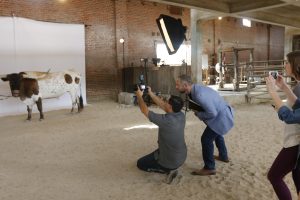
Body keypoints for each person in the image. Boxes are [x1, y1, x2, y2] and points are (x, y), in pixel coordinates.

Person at [175, 75, 234, 176]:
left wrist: (199, 114)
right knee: (217, 134)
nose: (176, 87)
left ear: (185, 85)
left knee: (206, 139)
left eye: (177, 85)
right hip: (223, 114)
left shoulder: (199, 95)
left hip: (221, 118)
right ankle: (223, 156)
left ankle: (209, 167)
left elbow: (212, 113)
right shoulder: (195, 89)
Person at [266, 50, 300, 200]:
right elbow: (299, 105)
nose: (284, 65)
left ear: (296, 65)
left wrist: (273, 92)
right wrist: (284, 88)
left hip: (297, 142)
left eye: (287, 62)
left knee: (274, 175)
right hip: (296, 142)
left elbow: (290, 117)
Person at [135, 85, 187, 183]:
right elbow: (164, 105)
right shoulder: (181, 115)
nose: (165, 102)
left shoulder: (166, 120)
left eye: (167, 101)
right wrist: (150, 93)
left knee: (140, 163)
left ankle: (166, 170)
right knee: (156, 154)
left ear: (170, 106)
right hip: (181, 156)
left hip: (171, 161)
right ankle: (168, 164)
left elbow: (144, 110)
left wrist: (139, 96)